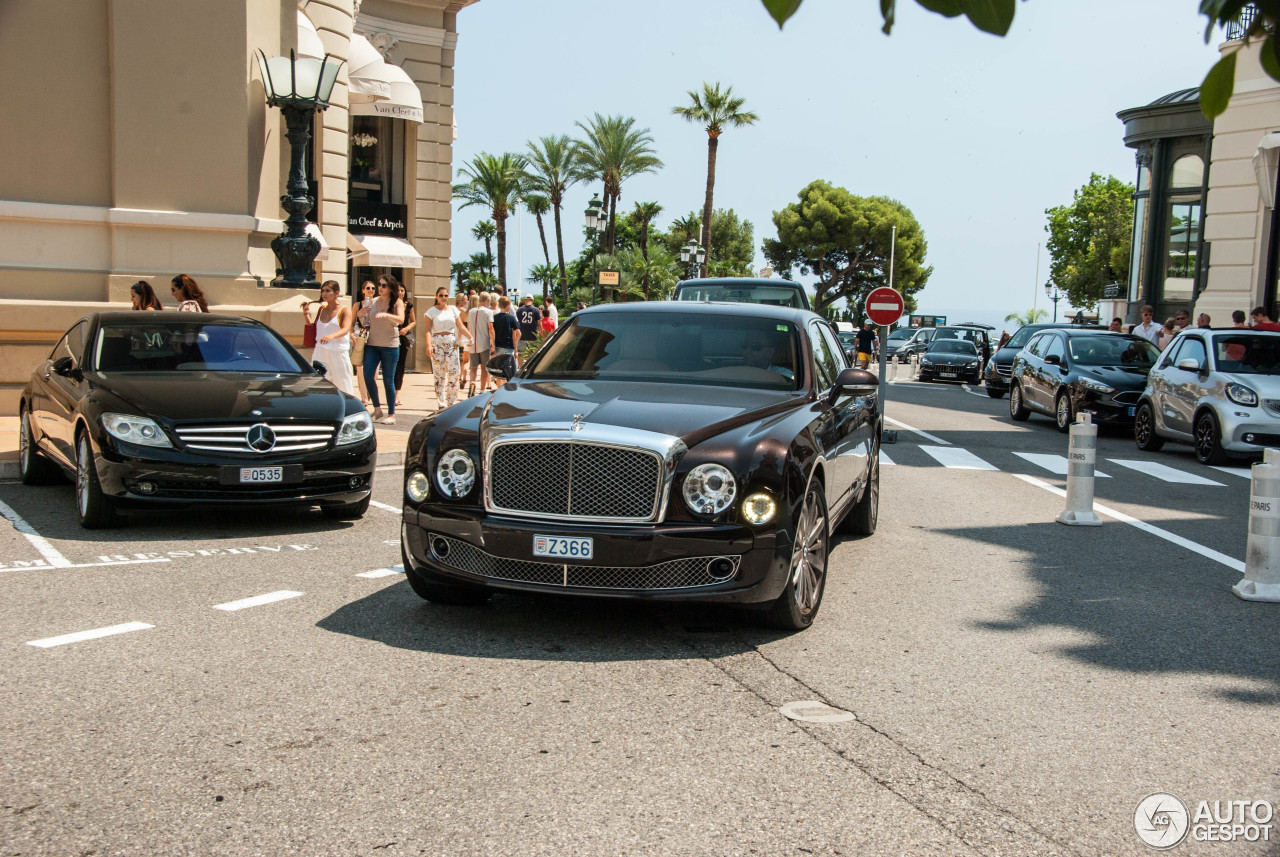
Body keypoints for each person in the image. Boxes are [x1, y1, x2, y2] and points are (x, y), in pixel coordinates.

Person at [359, 277, 404, 424]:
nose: (380, 287)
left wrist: (387, 315)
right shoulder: (373, 301)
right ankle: (377, 409)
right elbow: (367, 322)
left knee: (388, 380)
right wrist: (360, 315)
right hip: (373, 344)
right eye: (379, 284)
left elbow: (401, 320)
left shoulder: (397, 302)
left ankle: (392, 414)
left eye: (384, 285)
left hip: (390, 346)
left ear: (391, 287)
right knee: (367, 375)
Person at [302, 280, 355, 397]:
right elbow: (316, 327)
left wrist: (332, 336)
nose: (324, 294)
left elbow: (346, 329)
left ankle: (349, 408)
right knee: (317, 382)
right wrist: (306, 315)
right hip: (320, 350)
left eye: (328, 291)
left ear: (337, 293)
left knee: (343, 382)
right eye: (323, 291)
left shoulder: (344, 310)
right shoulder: (322, 309)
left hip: (338, 350)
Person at [426, 286, 469, 411]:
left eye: (445, 295)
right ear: (436, 297)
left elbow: (460, 326)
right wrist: (428, 345)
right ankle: (441, 401)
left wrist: (470, 337)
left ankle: (452, 400)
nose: (443, 298)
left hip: (451, 342)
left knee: (454, 372)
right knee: (439, 373)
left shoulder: (453, 310)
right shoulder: (431, 312)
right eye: (441, 295)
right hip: (437, 341)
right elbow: (428, 330)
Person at [351, 280, 376, 405]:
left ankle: (370, 393)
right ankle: (364, 396)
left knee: (374, 369)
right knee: (360, 368)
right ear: (363, 290)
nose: (371, 290)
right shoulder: (357, 305)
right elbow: (351, 324)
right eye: (368, 288)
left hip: (375, 337)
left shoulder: (378, 304)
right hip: (361, 336)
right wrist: (352, 337)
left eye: (373, 288)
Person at [466, 291, 494, 396]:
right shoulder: (488, 312)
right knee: (484, 368)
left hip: (473, 343)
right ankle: (482, 391)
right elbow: (491, 329)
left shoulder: (471, 312)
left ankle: (472, 383)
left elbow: (468, 327)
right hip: (484, 343)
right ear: (487, 300)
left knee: (473, 368)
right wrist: (493, 344)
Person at [394, 280, 416, 406]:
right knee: (391, 367)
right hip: (391, 336)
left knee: (400, 366)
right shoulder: (390, 305)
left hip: (403, 338)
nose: (400, 293)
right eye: (398, 290)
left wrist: (407, 329)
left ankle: (397, 394)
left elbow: (413, 321)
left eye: (402, 290)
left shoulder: (409, 305)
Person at [490, 295, 520, 386]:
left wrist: (493, 345)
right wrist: (515, 344)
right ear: (508, 305)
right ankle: (507, 389)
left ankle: (500, 388)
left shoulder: (494, 318)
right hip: (508, 346)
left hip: (498, 346)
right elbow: (518, 332)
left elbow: (491, 331)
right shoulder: (511, 318)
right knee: (509, 371)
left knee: (499, 372)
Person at [454, 292, 472, 390]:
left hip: (455, 337)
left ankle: (458, 379)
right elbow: (467, 326)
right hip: (463, 338)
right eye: (465, 299)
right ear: (461, 300)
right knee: (465, 361)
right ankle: (464, 377)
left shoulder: (451, 310)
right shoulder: (464, 312)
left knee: (456, 360)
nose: (467, 301)